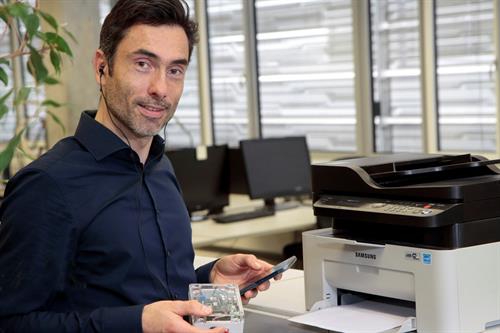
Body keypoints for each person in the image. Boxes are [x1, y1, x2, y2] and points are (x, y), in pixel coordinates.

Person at [0, 1, 277, 332]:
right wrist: (138, 322)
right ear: (102, 67)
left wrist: (211, 276)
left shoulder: (161, 169)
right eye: (143, 64)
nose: (161, 88)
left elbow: (148, 290)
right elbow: (12, 322)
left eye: (175, 70)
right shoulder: (47, 184)